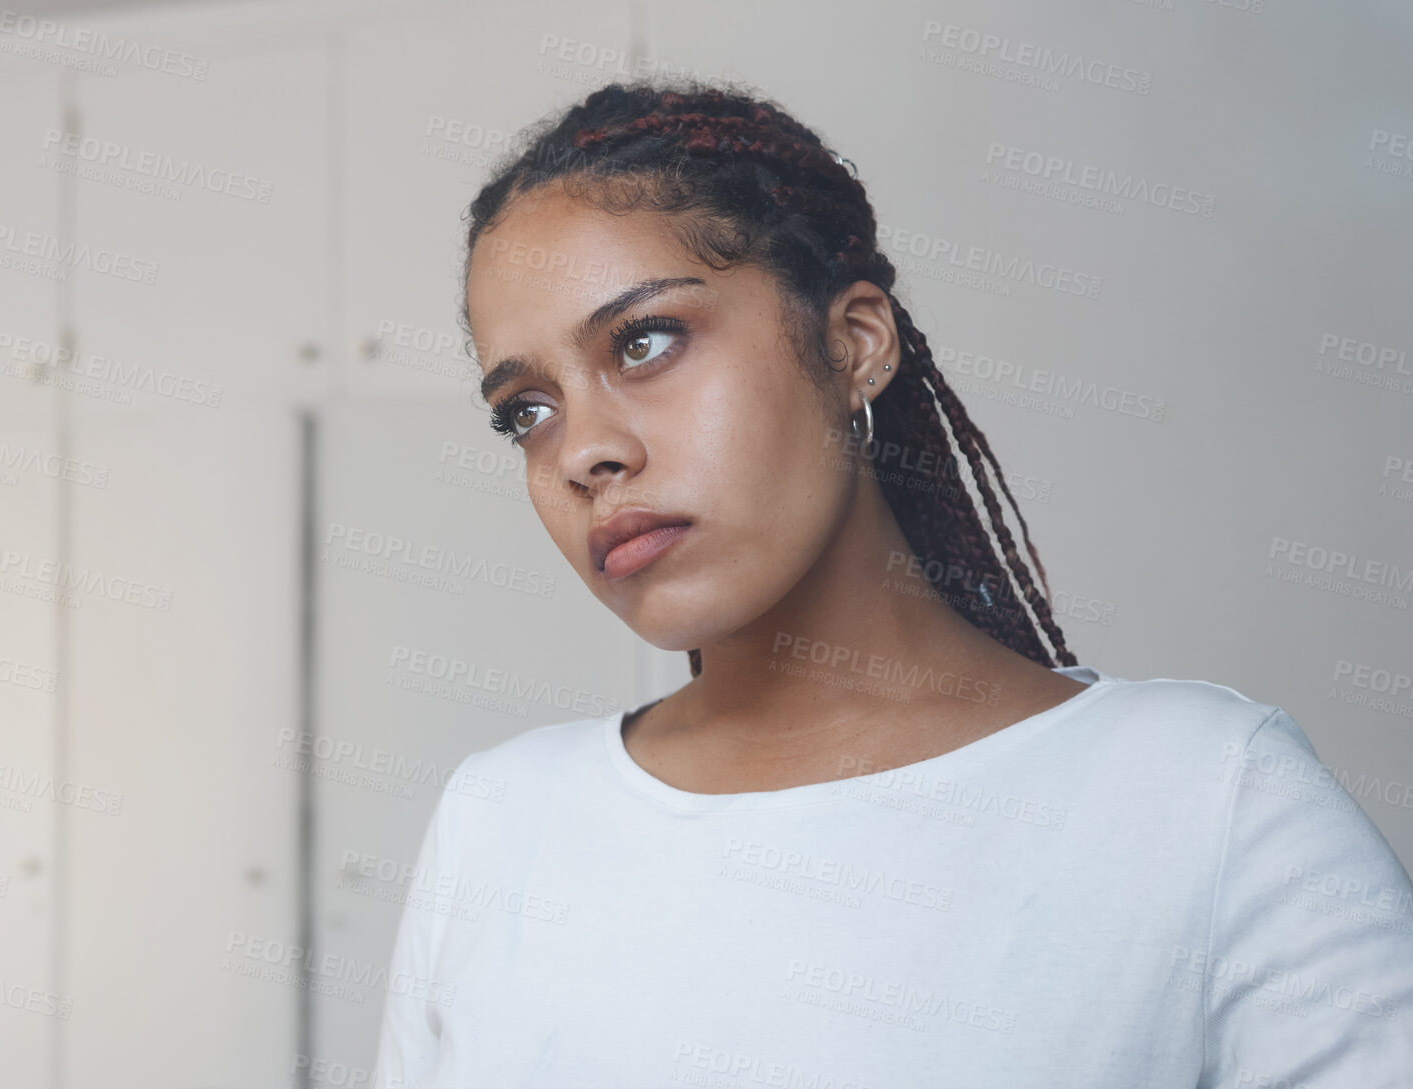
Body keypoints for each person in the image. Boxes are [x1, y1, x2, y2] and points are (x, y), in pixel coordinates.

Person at [370, 79, 1413, 1088]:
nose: (583, 451)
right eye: (526, 410)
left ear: (855, 344)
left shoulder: (1210, 802)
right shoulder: (503, 820)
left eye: (645, 342)